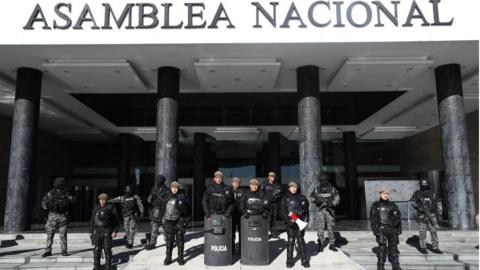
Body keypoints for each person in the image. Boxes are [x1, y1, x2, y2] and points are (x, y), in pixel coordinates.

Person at [41, 177, 76, 257]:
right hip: (61, 216)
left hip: (54, 216)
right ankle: (63, 251)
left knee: (51, 235)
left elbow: (44, 206)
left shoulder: (50, 194)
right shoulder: (66, 194)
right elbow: (73, 203)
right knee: (61, 235)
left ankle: (49, 250)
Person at [370, 187, 403, 270]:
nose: (385, 195)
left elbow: (398, 217)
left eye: (387, 194)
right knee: (382, 248)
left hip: (392, 229)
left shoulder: (393, 205)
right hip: (381, 229)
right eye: (384, 193)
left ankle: (395, 265)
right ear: (380, 194)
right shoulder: (375, 205)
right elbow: (373, 219)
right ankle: (380, 265)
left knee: (394, 247)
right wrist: (375, 230)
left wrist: (399, 228)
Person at [280, 181, 310, 268]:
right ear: (289, 188)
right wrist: (288, 220)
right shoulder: (284, 198)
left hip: (299, 221)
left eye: (295, 187)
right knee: (290, 241)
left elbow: (306, 208)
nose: (294, 188)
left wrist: (307, 217)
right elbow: (282, 211)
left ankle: (304, 260)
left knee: (300, 240)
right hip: (290, 222)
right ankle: (289, 260)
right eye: (292, 187)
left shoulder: (301, 197)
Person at [410, 178, 442, 254]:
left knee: (433, 231)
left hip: (432, 214)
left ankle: (435, 247)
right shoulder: (417, 193)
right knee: (422, 231)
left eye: (425, 185)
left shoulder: (433, 193)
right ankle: (423, 247)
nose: (423, 186)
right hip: (422, 215)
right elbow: (412, 202)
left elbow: (438, 203)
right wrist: (418, 207)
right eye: (422, 185)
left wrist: (439, 214)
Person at [310, 174, 340, 252]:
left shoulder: (332, 189)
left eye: (324, 180)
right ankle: (320, 243)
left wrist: (330, 204)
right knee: (320, 227)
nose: (323, 182)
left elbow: (337, 199)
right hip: (320, 210)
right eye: (321, 180)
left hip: (330, 210)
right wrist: (317, 200)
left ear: (327, 180)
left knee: (331, 227)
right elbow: (312, 197)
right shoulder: (317, 190)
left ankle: (332, 244)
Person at [89, 193, 119, 270]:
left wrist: (115, 231)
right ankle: (96, 266)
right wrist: (91, 231)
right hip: (97, 230)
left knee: (107, 249)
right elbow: (92, 220)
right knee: (97, 249)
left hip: (107, 230)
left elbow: (116, 221)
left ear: (106, 200)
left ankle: (108, 266)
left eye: (103, 200)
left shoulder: (111, 207)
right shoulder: (96, 208)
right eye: (100, 200)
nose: (102, 201)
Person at [163, 181, 190, 265]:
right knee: (169, 240)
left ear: (178, 188)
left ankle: (180, 258)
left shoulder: (182, 196)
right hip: (169, 221)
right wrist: (162, 220)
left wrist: (186, 222)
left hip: (179, 221)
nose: (174, 189)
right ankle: (168, 257)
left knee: (180, 240)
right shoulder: (166, 196)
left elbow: (188, 210)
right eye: (173, 187)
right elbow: (162, 208)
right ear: (171, 188)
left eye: (176, 188)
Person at [145, 175, 169, 250]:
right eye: (156, 180)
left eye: (159, 180)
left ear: (162, 181)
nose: (157, 182)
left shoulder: (167, 190)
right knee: (154, 227)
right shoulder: (154, 189)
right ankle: (152, 243)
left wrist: (159, 197)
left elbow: (166, 201)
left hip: (164, 210)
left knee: (165, 226)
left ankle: (168, 242)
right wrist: (151, 196)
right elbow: (149, 200)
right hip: (155, 210)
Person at [261, 172, 284, 238]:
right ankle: (265, 233)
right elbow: (261, 194)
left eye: (273, 176)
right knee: (267, 219)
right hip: (267, 204)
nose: (272, 178)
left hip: (274, 204)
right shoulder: (264, 184)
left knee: (274, 219)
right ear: (268, 177)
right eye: (271, 176)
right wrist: (263, 201)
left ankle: (273, 233)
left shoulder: (276, 185)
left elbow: (280, 194)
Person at [230, 177, 245, 254]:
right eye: (234, 182)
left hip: (240, 214)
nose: (236, 184)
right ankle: (231, 249)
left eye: (237, 183)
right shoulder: (228, 190)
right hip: (231, 215)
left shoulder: (242, 191)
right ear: (232, 183)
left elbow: (244, 202)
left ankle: (241, 249)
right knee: (231, 233)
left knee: (241, 233)